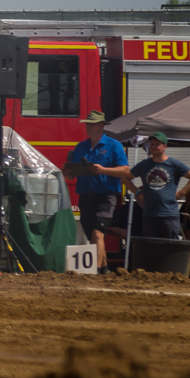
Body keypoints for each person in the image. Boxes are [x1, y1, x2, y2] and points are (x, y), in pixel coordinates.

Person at [63, 110, 131, 271]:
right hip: (86, 197)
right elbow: (72, 176)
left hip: (106, 197)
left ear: (101, 125)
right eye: (87, 124)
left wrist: (103, 170)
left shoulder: (114, 145)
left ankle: (97, 272)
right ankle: (105, 269)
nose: (88, 127)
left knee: (98, 234)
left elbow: (126, 171)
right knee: (93, 237)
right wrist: (68, 173)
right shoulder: (80, 147)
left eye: (91, 124)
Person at [130, 131, 190, 240]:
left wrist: (182, 193)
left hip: (169, 215)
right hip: (149, 215)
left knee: (170, 249)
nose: (153, 147)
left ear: (164, 147)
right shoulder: (144, 165)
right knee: (152, 250)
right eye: (151, 144)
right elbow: (125, 178)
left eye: (157, 144)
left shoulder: (173, 164)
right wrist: (137, 192)